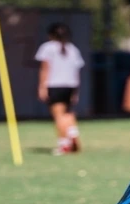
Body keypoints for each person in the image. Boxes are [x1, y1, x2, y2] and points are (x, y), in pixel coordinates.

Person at [35, 23, 85, 155]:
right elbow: (76, 71)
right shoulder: (73, 49)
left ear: (51, 35)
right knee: (68, 114)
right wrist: (76, 91)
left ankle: (64, 145)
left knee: (59, 116)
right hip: (70, 85)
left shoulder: (47, 48)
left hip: (54, 85)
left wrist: (42, 86)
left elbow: (45, 68)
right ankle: (73, 133)